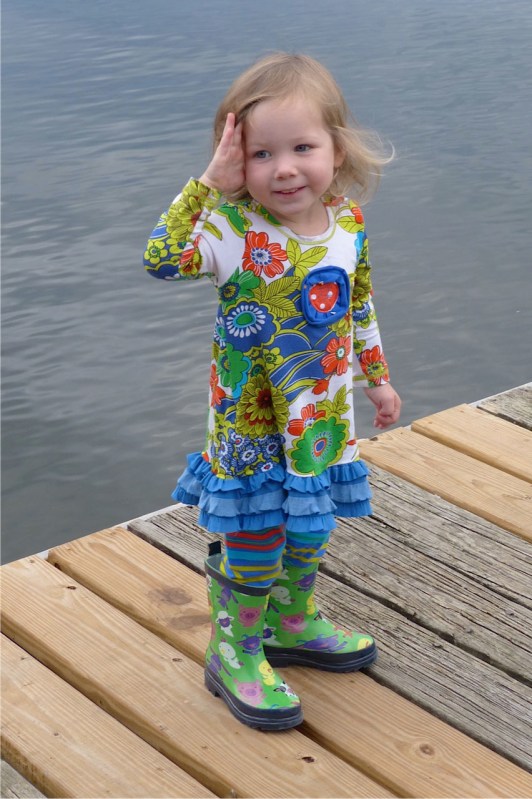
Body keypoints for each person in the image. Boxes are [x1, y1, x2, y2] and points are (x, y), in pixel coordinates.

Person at [143, 52, 401, 731]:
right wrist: (206, 187)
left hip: (320, 421)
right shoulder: (232, 230)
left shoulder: (347, 223)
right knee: (255, 536)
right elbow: (160, 258)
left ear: (336, 150)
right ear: (237, 161)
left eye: (302, 147)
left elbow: (360, 304)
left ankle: (292, 621)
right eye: (261, 153)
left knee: (308, 532)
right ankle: (236, 648)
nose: (284, 168)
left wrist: (377, 378)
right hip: (251, 429)